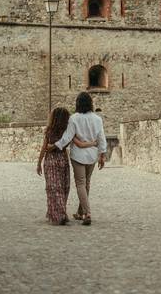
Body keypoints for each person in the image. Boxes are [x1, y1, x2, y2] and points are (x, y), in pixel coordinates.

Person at [50, 92, 107, 225]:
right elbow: (101, 138)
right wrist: (102, 155)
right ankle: (81, 212)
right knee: (86, 183)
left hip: (78, 156)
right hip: (92, 155)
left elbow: (67, 137)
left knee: (80, 183)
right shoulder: (97, 119)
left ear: (77, 104)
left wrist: (55, 145)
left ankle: (87, 213)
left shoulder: (74, 118)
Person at [36, 107, 72, 225]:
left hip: (51, 161)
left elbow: (44, 148)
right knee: (63, 187)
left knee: (52, 188)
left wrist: (39, 163)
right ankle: (61, 212)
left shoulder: (49, 131)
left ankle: (56, 213)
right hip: (63, 159)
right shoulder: (67, 131)